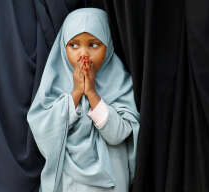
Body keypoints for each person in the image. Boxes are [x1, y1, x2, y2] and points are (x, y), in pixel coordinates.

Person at [27, 8, 140, 192]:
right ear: (63, 47)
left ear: (108, 45)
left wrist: (93, 94)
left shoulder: (120, 84)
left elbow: (118, 135)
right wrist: (76, 93)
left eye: (94, 45)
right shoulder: (53, 85)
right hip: (69, 184)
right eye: (74, 45)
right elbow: (44, 135)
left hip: (111, 182)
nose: (83, 54)